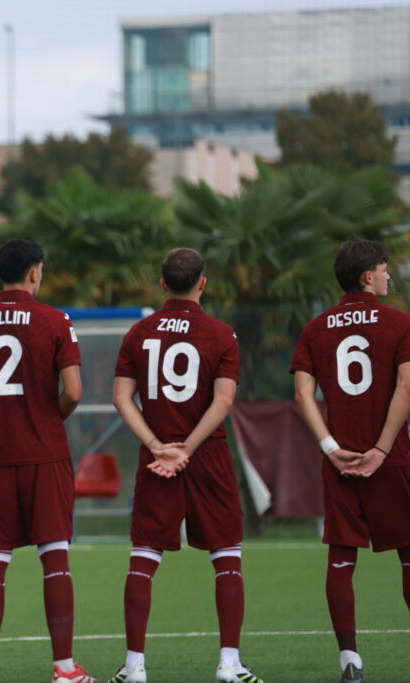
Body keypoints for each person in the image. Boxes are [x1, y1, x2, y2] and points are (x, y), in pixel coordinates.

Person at [109, 247, 263, 683]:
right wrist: (187, 449)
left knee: (143, 555)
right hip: (207, 454)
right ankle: (229, 664)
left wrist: (161, 446)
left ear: (162, 284)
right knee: (226, 554)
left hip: (156, 458)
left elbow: (122, 399)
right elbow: (224, 401)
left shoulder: (138, 333)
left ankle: (135, 666)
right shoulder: (221, 334)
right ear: (203, 282)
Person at [0, 238, 96, 683]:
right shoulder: (55, 320)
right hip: (45, 455)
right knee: (55, 557)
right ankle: (65, 669)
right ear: (35, 272)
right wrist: (48, 420)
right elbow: (73, 391)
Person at [291, 238, 410, 683]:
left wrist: (329, 447)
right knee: (408, 556)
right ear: (367, 276)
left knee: (341, 560)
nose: (388, 275)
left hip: (339, 462)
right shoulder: (399, 323)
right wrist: (380, 450)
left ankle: (350, 664)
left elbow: (303, 394)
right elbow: (405, 389)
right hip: (392, 459)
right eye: (383, 268)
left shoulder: (316, 327)